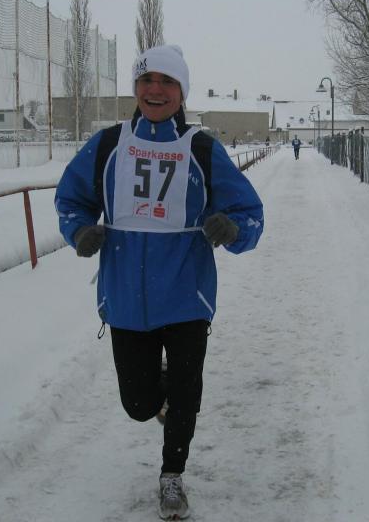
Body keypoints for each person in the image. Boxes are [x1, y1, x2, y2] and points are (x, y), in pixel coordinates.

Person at [55, 44, 264, 520]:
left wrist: (232, 229)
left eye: (168, 82)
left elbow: (249, 212)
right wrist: (79, 231)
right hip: (125, 297)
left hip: (187, 293)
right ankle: (161, 391)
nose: (156, 89)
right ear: (136, 88)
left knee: (187, 394)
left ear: (181, 92)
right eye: (148, 80)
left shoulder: (202, 149)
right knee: (138, 402)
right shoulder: (108, 145)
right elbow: (71, 199)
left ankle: (172, 475)